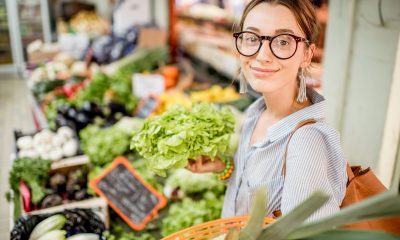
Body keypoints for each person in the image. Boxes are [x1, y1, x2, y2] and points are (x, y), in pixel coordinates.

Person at [186, 0, 347, 221]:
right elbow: (260, 194)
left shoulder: (306, 142)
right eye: (252, 38)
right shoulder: (256, 112)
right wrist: (225, 168)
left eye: (282, 41)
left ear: (307, 55)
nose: (262, 55)